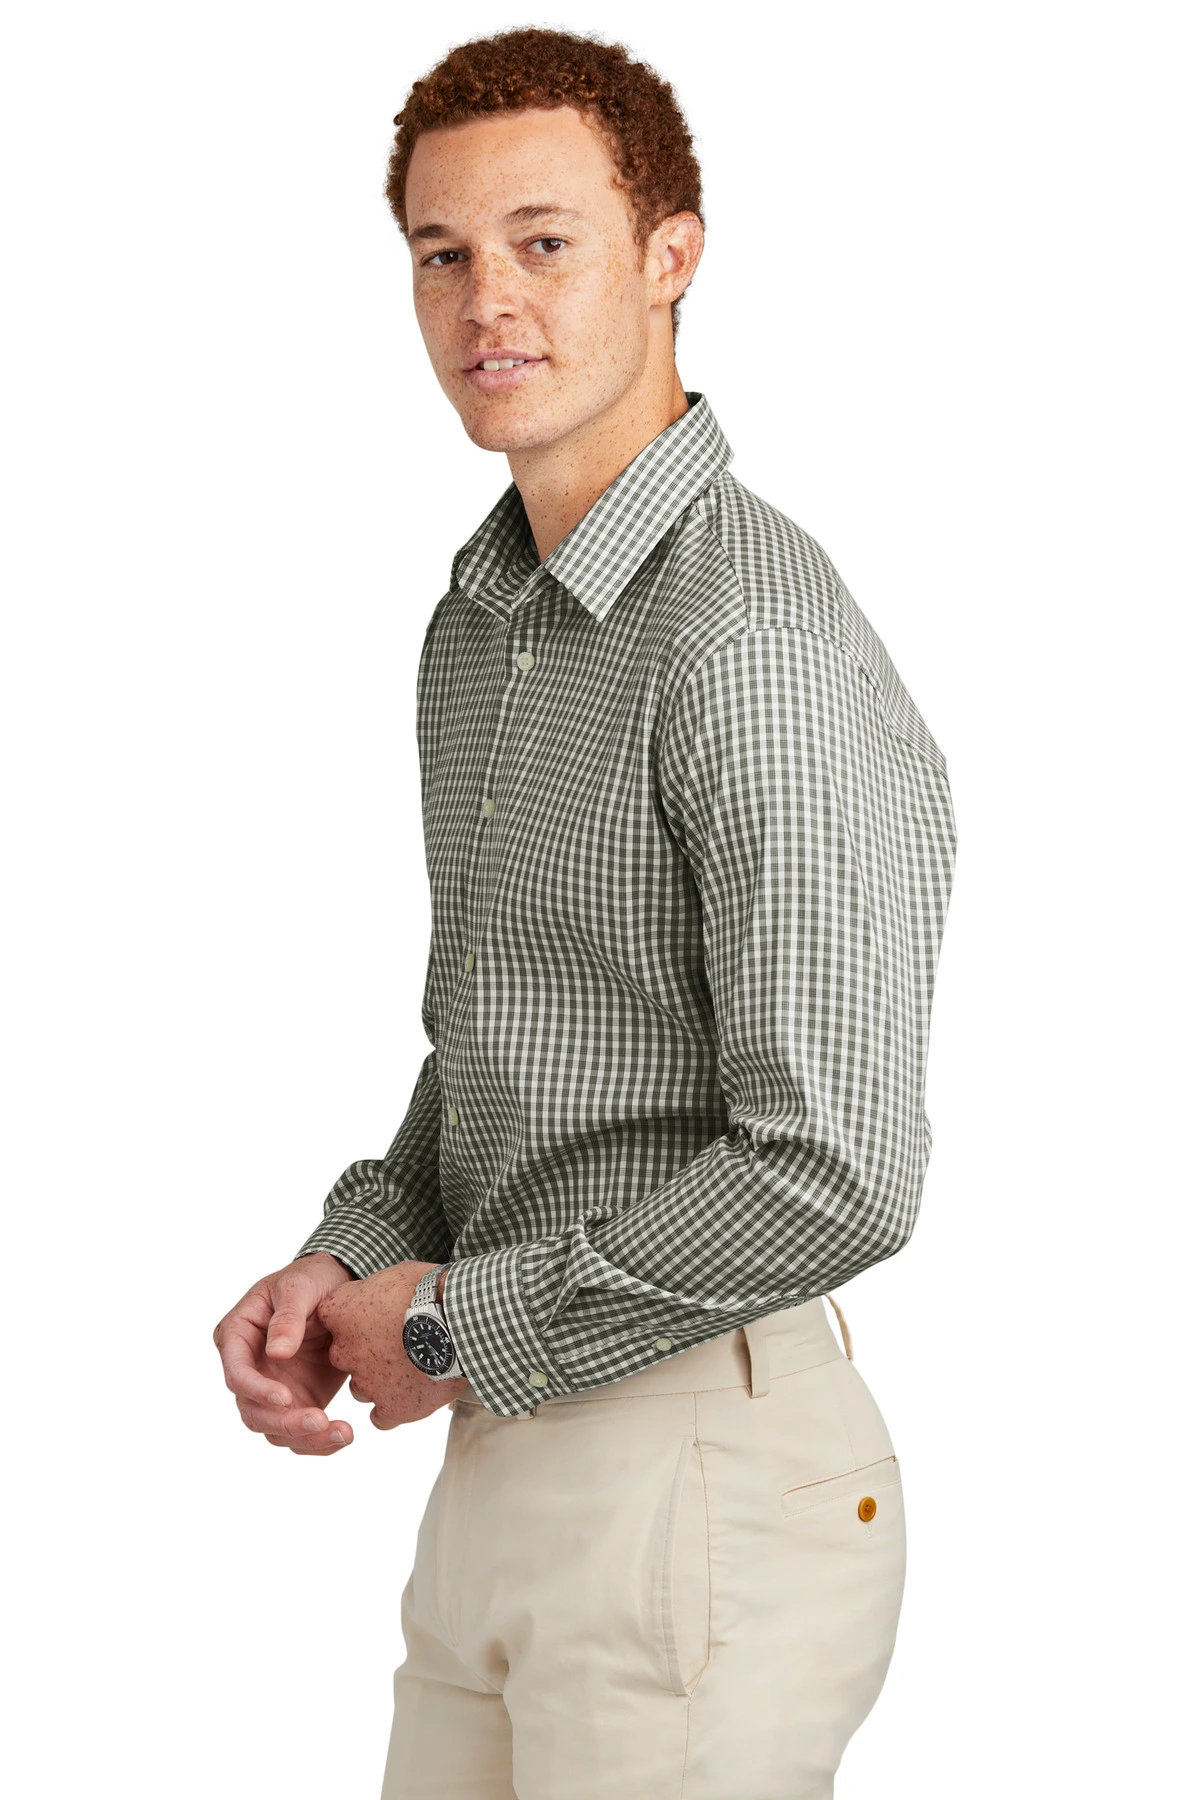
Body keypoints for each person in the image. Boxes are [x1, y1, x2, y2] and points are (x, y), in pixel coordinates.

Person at [212, 26, 956, 1799]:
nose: (488, 301)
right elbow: (511, 1045)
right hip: (505, 1467)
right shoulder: (488, 623)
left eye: (544, 242)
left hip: (698, 1474)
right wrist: (351, 1253)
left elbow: (840, 1168)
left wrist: (450, 1325)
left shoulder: (745, 643)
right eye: (441, 253)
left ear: (671, 254)